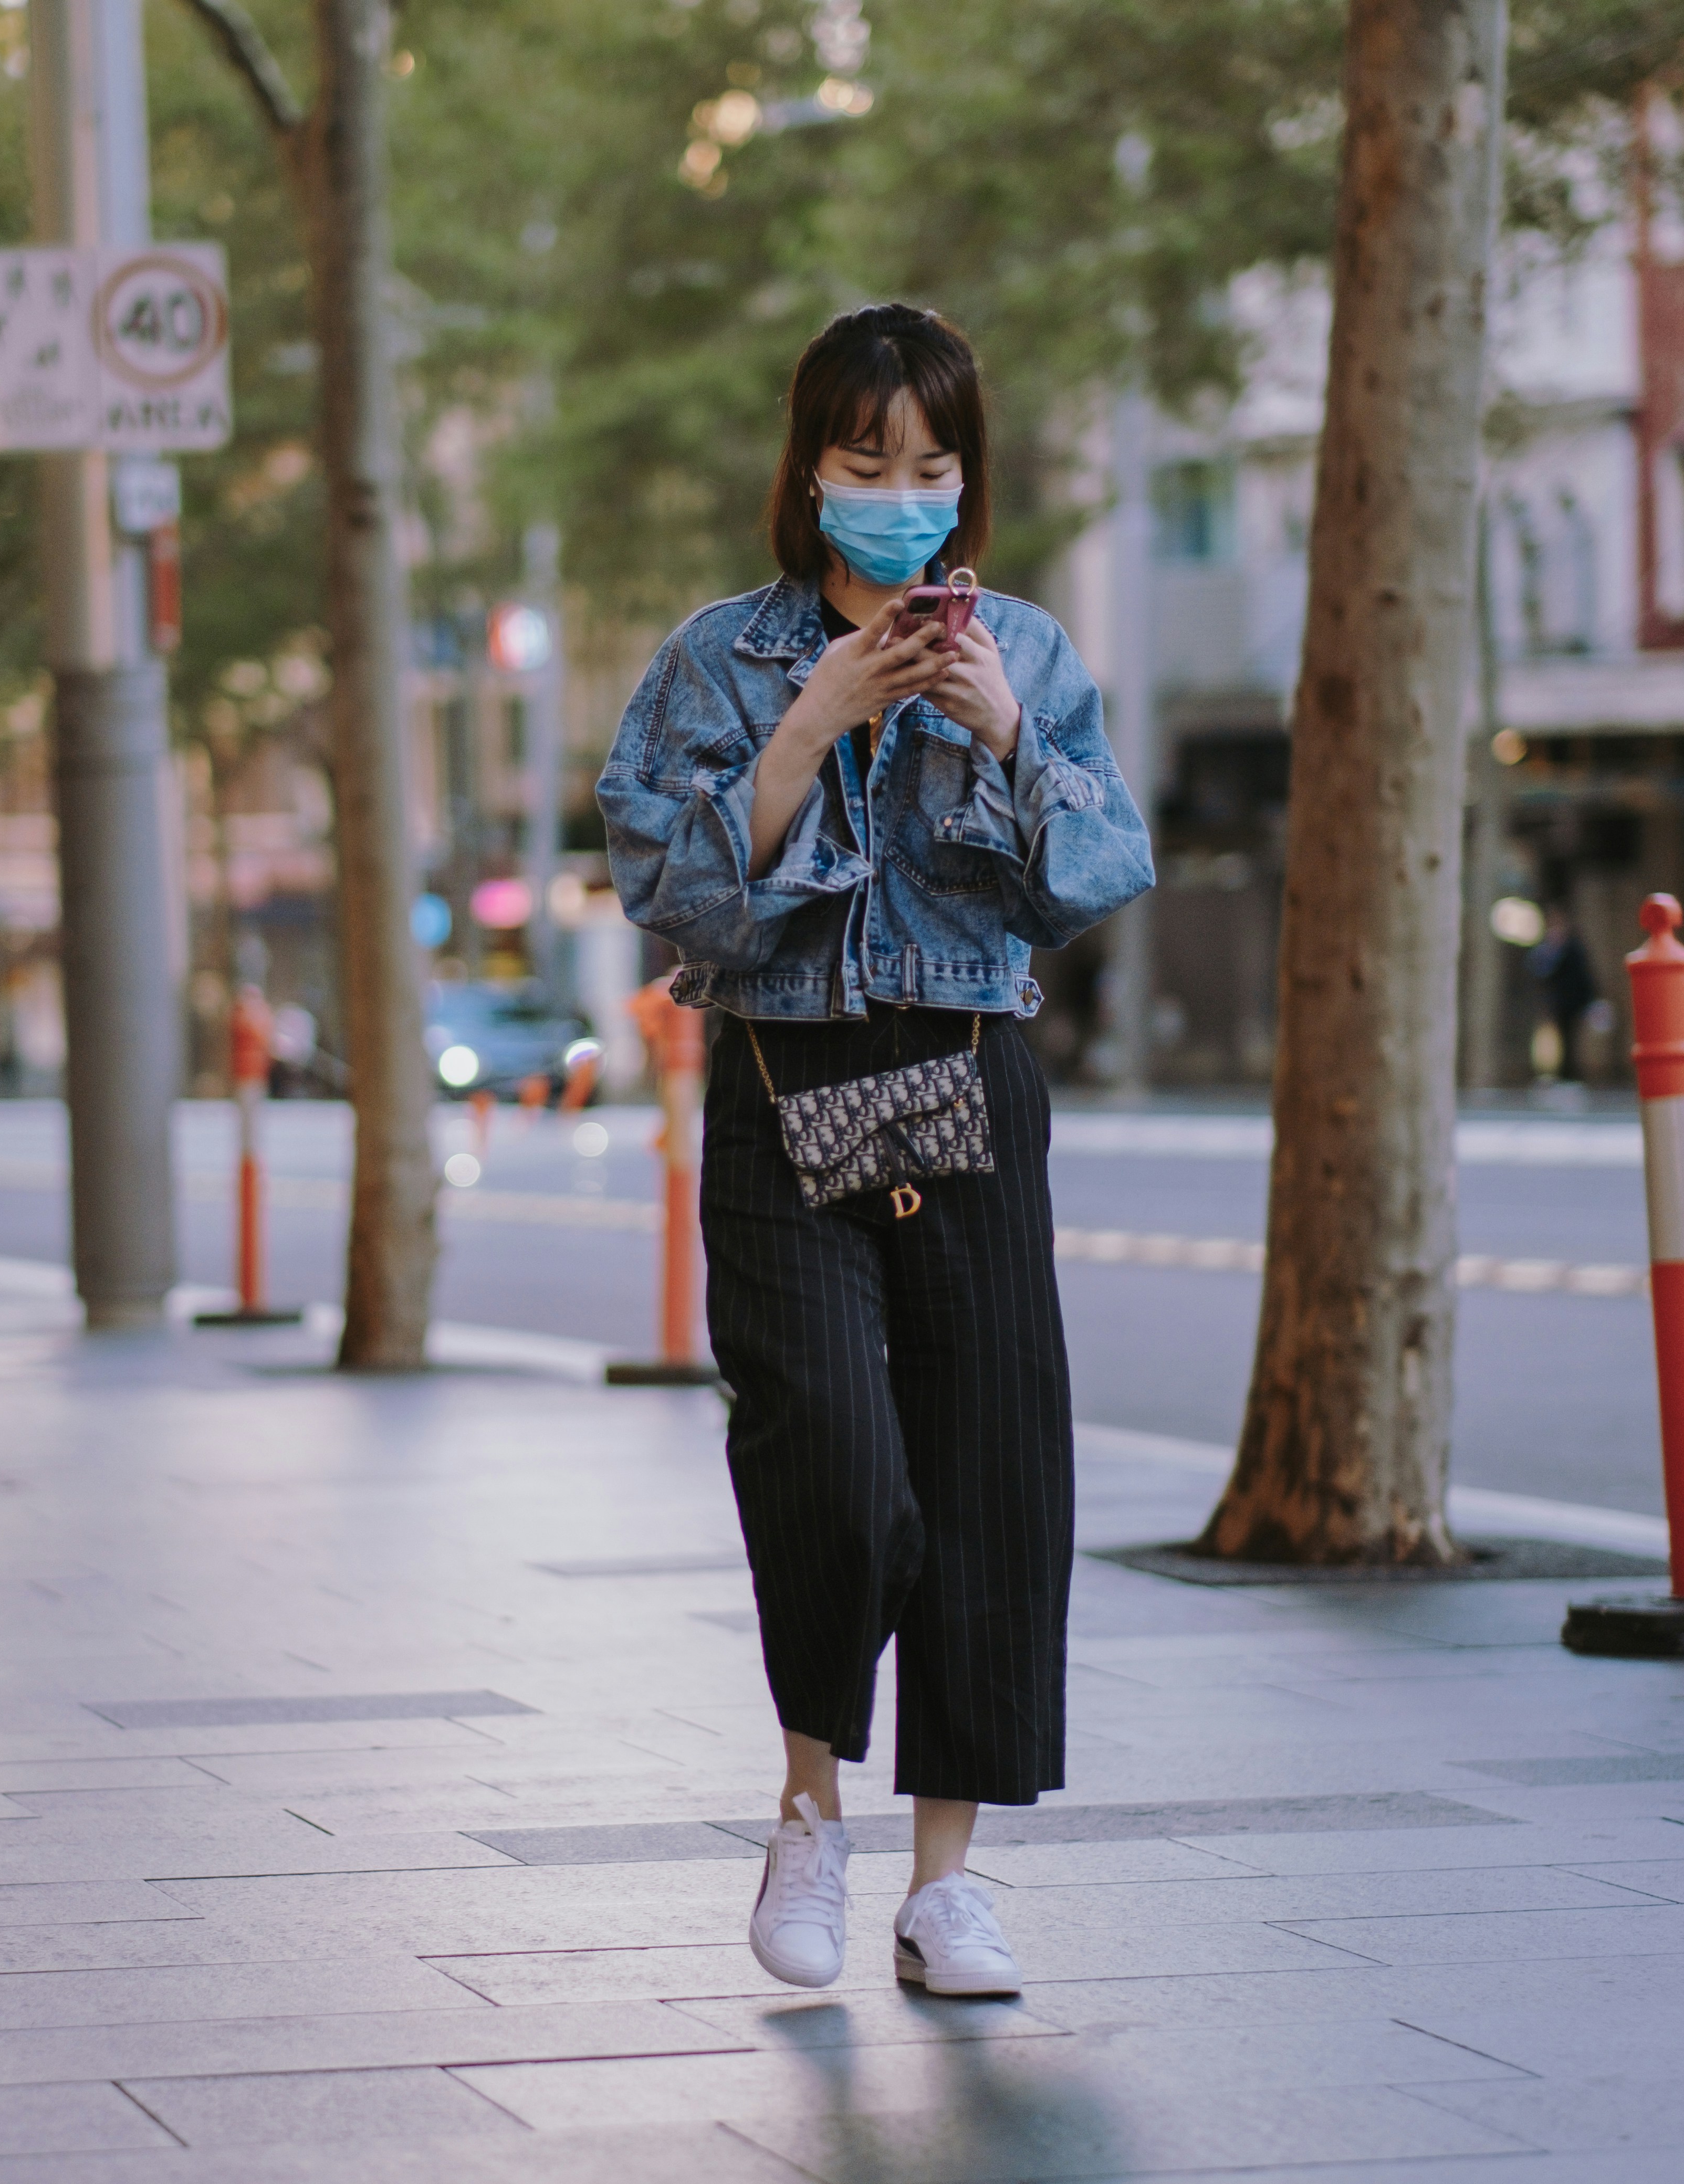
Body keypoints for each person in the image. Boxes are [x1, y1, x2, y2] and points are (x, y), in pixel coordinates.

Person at [598, 304, 1152, 1998]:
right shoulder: (716, 661)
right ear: (811, 473)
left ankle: (948, 1883)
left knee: (992, 1480)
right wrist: (805, 729)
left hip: (972, 1083)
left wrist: (1000, 733)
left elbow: (1102, 875)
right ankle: (807, 1814)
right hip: (784, 1087)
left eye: (930, 464)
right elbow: (667, 899)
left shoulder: (1035, 656)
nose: (901, 493)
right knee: (831, 1454)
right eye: (866, 463)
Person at [1529, 905, 1599, 1083]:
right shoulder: (1550, 947)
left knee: (1570, 1039)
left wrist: (1590, 1000)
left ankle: (1569, 1076)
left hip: (1572, 1001)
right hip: (1559, 1001)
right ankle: (1561, 1074)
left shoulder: (1572, 947)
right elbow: (1541, 971)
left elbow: (1582, 975)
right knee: (1559, 1038)